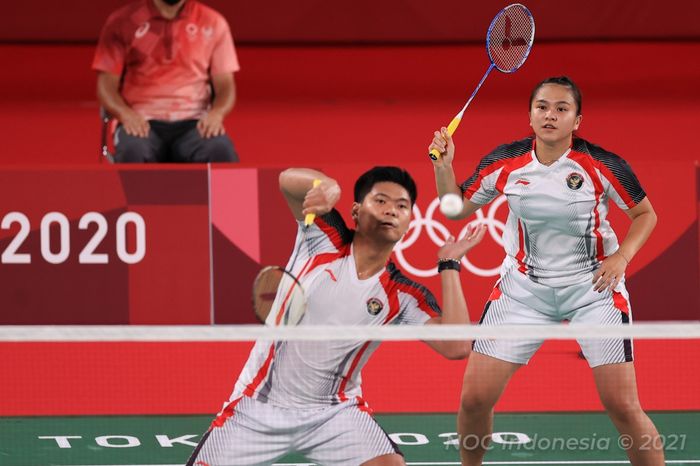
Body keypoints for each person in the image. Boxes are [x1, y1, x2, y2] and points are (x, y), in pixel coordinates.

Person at [429, 76, 663, 466]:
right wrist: (444, 165)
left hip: (593, 289)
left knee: (622, 405)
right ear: (530, 114)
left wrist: (621, 257)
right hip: (523, 291)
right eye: (542, 107)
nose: (550, 115)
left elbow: (645, 214)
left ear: (577, 120)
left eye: (561, 109)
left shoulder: (601, 164)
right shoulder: (505, 162)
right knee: (473, 400)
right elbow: (454, 209)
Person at [187, 166, 486, 465]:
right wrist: (327, 186)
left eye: (401, 206)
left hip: (332, 413)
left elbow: (456, 346)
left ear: (410, 221)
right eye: (380, 201)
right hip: (259, 405)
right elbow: (287, 181)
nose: (391, 211)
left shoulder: (402, 294)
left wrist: (449, 264)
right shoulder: (323, 237)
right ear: (356, 211)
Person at [93, 0, 239, 163]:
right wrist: (125, 114)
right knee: (132, 151)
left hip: (196, 123)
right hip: (140, 121)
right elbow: (106, 87)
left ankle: (238, 191)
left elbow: (226, 86)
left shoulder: (213, 22)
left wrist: (217, 113)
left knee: (222, 151)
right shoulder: (123, 21)